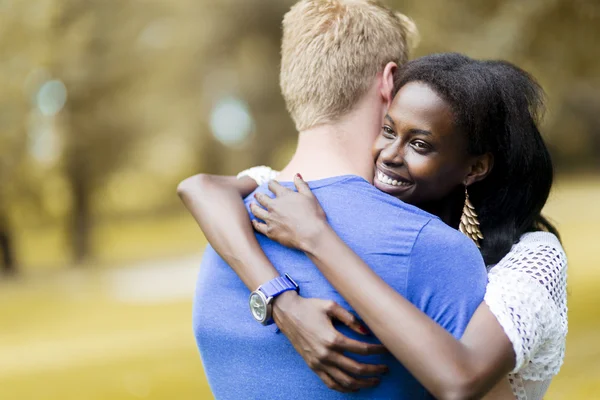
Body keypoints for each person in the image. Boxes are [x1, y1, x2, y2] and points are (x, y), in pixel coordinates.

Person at [179, 53, 568, 400]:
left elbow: (459, 380)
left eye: (419, 145)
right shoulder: (319, 197)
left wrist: (318, 238)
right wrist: (282, 301)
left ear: (474, 168)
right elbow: (201, 188)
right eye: (387, 130)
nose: (388, 156)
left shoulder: (534, 258)